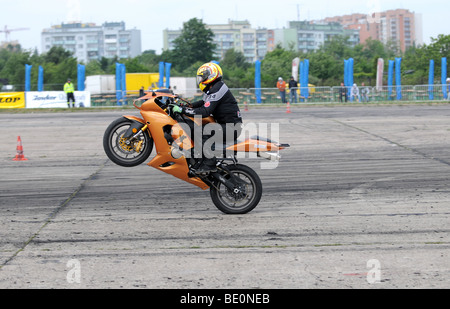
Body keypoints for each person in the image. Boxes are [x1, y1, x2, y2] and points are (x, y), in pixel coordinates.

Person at [172, 62, 243, 174]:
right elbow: (203, 102)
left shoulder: (218, 89)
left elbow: (205, 111)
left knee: (202, 130)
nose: (200, 80)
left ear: (211, 75)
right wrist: (187, 106)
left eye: (202, 76)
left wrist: (183, 110)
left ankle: (209, 162)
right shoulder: (214, 88)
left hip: (231, 128)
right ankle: (198, 157)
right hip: (226, 126)